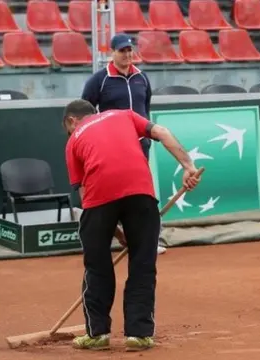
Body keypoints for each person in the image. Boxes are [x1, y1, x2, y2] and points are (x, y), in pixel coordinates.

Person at [62, 99, 201, 351]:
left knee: (97, 267)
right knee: (143, 265)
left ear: (72, 121)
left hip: (99, 199)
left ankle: (97, 334)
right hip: (140, 194)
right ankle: (138, 334)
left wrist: (116, 233)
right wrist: (188, 167)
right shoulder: (123, 114)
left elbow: (85, 197)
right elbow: (161, 132)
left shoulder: (73, 141)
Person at [81, 33, 167, 255]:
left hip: (140, 146)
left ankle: (146, 240)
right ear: (112, 53)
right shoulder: (99, 80)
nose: (127, 54)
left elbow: (145, 109)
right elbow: (85, 113)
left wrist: (146, 137)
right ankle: (113, 236)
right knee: (115, 193)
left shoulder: (142, 78)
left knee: (142, 194)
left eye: (129, 50)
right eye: (122, 51)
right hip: (111, 149)